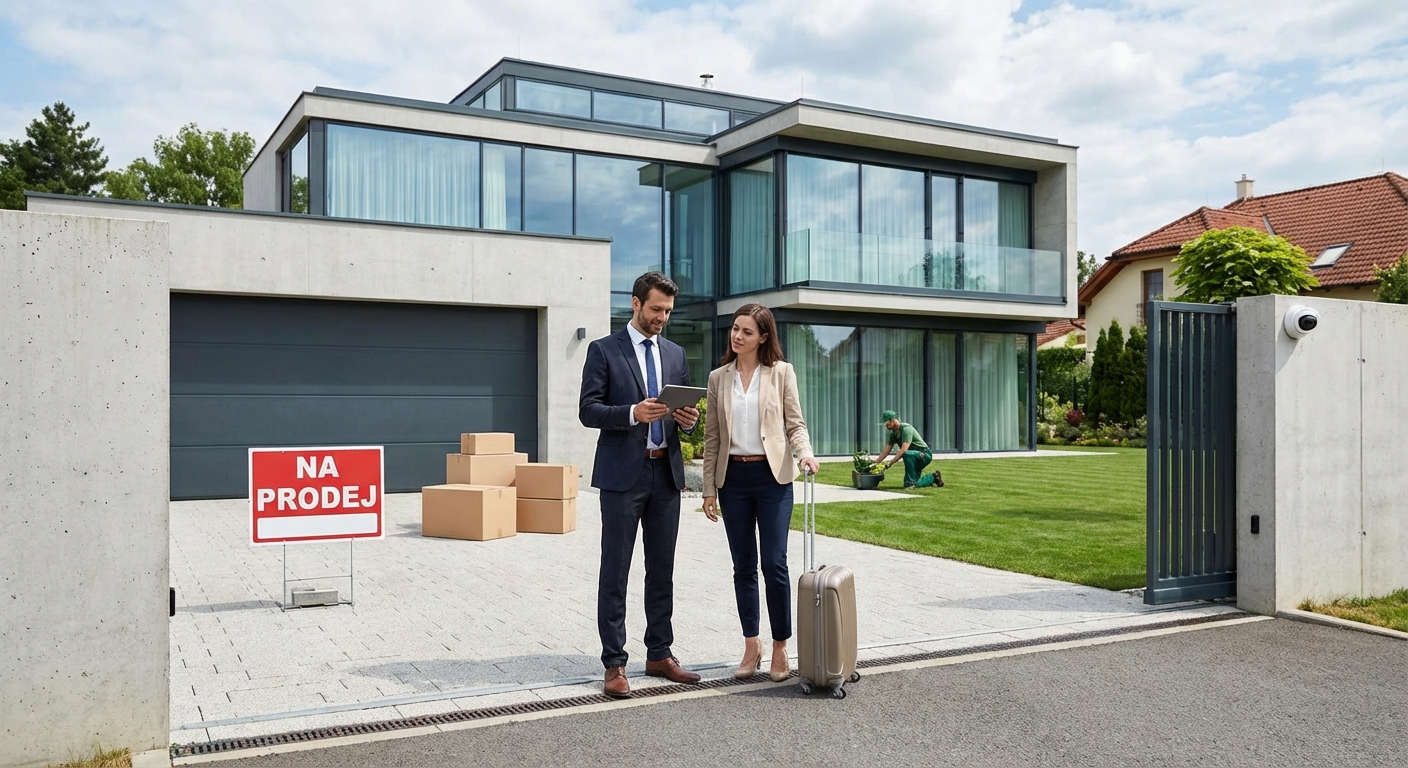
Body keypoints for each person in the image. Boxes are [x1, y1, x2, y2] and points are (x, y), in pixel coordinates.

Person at [578, 271, 702, 699]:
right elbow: (588, 410)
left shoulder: (675, 353)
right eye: (655, 309)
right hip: (621, 477)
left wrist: (688, 421)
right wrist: (632, 413)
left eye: (667, 311)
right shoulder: (603, 351)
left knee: (661, 571)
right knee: (615, 571)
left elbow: (681, 414)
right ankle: (614, 663)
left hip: (665, 475)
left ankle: (659, 652)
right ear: (635, 303)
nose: (661, 318)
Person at [700, 304, 820, 683]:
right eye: (735, 329)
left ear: (763, 337)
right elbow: (713, 437)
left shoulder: (781, 373)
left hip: (773, 480)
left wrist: (806, 453)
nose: (737, 336)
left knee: (774, 563)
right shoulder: (719, 377)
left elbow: (794, 423)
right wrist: (707, 490)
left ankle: (781, 646)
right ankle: (752, 645)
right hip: (732, 480)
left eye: (747, 332)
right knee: (743, 567)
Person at [874, 410, 942, 488]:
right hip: (913, 457)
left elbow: (903, 450)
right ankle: (934, 477)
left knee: (906, 454)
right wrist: (876, 463)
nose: (885, 425)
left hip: (924, 455)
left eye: (886, 422)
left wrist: (890, 463)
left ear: (892, 420)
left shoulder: (906, 429)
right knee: (912, 484)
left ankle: (912, 483)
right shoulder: (894, 434)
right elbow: (886, 450)